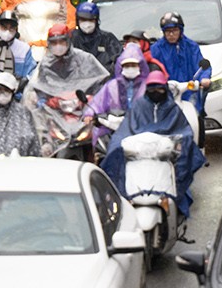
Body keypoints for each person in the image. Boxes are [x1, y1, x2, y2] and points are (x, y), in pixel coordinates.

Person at [100, 72, 205, 219]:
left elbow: (184, 132)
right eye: (152, 88)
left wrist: (181, 144)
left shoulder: (173, 109)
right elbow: (124, 131)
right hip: (138, 157)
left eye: (159, 89)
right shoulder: (138, 107)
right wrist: (117, 147)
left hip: (164, 156)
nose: (156, 92)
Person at [148, 11, 211, 121]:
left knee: (196, 120)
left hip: (189, 93)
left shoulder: (191, 46)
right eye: (168, 31)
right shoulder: (156, 49)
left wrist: (204, 78)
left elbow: (201, 65)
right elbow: (151, 69)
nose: (171, 34)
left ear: (180, 30)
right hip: (165, 95)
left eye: (174, 31)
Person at [82, 44, 151, 129]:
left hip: (143, 127)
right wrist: (89, 114)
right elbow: (98, 102)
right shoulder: (112, 86)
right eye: (127, 66)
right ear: (121, 67)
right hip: (114, 127)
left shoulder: (149, 85)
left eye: (133, 65)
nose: (130, 68)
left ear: (140, 66)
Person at [72, 2, 122, 72]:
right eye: (83, 20)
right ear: (77, 21)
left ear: (96, 21)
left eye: (90, 20)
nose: (87, 24)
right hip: (77, 81)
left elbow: (119, 60)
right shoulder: (71, 38)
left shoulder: (107, 38)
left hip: (104, 80)